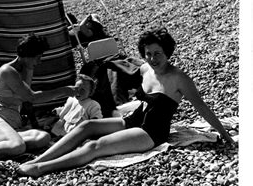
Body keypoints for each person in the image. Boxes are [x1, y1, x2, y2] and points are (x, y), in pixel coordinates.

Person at [17, 28, 234, 178]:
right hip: (133, 120)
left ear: (168, 52)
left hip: (151, 132)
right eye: (148, 54)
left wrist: (225, 135)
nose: (153, 58)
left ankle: (41, 168)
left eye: (158, 53)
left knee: (95, 146)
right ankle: (39, 158)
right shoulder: (145, 68)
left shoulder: (179, 78)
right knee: (87, 126)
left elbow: (202, 107)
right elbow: (124, 65)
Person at [0, 33, 77, 161]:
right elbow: (32, 97)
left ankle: (3, 145)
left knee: (43, 137)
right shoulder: (7, 71)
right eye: (37, 57)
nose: (39, 61)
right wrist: (64, 90)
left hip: (12, 122)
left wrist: (34, 123)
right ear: (27, 56)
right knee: (17, 146)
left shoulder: (25, 69)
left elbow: (26, 102)